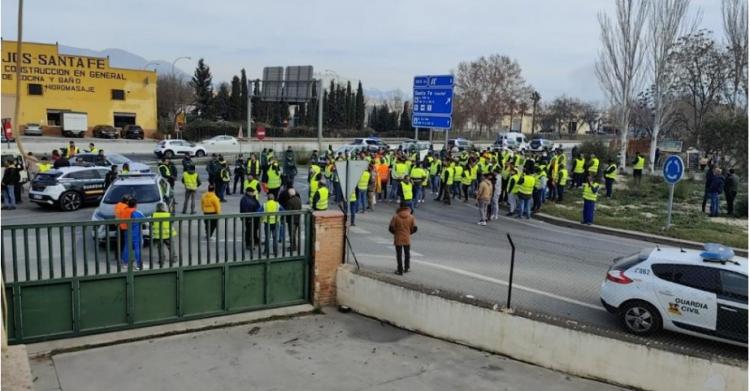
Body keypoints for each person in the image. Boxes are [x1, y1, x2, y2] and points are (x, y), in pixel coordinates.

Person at [389, 203, 417, 275]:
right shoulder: (411, 217)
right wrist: (409, 233)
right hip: (407, 237)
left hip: (398, 237)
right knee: (407, 253)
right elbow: (415, 228)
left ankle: (400, 269)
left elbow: (391, 228)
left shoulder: (396, 217)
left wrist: (396, 233)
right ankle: (407, 267)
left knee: (399, 254)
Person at [121, 198, 145, 269]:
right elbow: (145, 220)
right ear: (135, 205)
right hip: (135, 233)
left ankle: (125, 263)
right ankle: (138, 264)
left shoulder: (124, 211)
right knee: (137, 248)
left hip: (126, 232)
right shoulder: (137, 213)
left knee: (126, 247)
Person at [151, 202, 177, 266]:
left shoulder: (153, 215)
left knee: (160, 248)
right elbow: (172, 221)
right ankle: (173, 258)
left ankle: (161, 260)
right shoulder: (168, 214)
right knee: (171, 247)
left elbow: (152, 223)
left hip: (158, 235)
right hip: (168, 234)